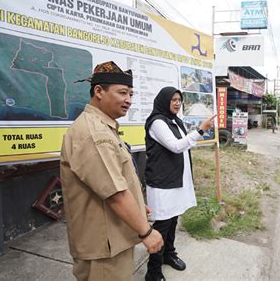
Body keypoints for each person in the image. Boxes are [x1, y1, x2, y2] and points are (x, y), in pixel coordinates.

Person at [60, 61, 163, 281]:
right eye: (123, 93)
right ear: (98, 91)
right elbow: (115, 194)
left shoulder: (103, 127)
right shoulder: (94, 134)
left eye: (131, 94)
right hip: (103, 248)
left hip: (112, 238)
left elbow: (114, 179)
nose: (129, 100)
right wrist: (146, 232)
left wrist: (136, 203)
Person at [144, 86, 215, 281]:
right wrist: (200, 130)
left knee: (173, 219)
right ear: (163, 100)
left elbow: (184, 142)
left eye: (179, 100)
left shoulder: (175, 121)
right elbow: (176, 146)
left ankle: (169, 254)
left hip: (176, 179)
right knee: (162, 225)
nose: (177, 103)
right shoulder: (157, 122)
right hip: (162, 183)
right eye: (173, 99)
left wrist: (195, 132)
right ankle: (153, 271)